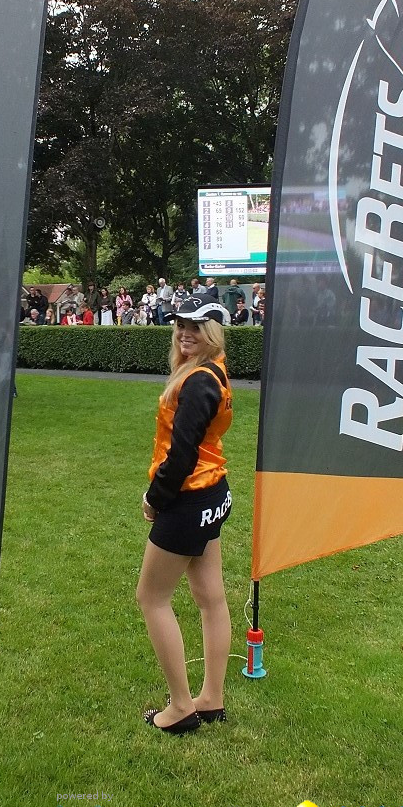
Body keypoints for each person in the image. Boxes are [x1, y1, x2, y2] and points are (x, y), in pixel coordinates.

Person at [136, 296, 233, 735]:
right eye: (180, 325)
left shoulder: (198, 382)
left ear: (213, 331)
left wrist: (155, 498)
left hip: (189, 499)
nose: (185, 332)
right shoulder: (213, 371)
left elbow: (181, 456)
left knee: (151, 598)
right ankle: (211, 697)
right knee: (210, 598)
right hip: (211, 493)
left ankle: (180, 707)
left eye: (196, 326)